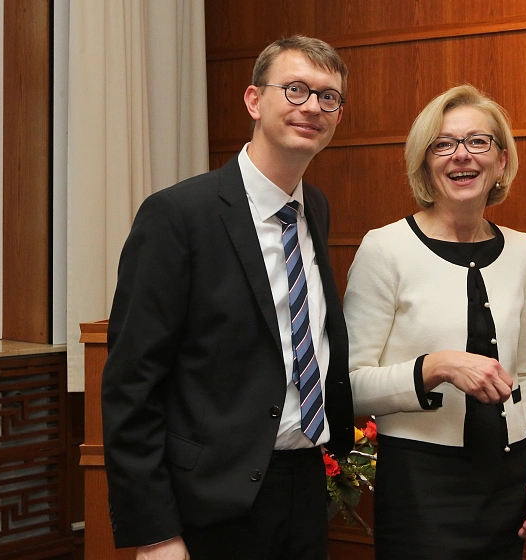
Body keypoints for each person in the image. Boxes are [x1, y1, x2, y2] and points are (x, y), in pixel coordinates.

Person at [101, 36, 354, 560]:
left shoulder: (316, 210)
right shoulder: (177, 216)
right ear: (254, 101)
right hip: (210, 501)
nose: (312, 106)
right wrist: (154, 533)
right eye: (295, 89)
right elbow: (131, 384)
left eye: (329, 97)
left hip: (304, 486)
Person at [343, 84, 526, 560]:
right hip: (421, 486)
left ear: (501, 161)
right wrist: (435, 366)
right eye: (443, 144)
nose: (461, 156)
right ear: (425, 163)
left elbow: (521, 373)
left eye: (477, 141)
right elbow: (347, 385)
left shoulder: (524, 251)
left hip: (507, 485)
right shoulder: (384, 249)